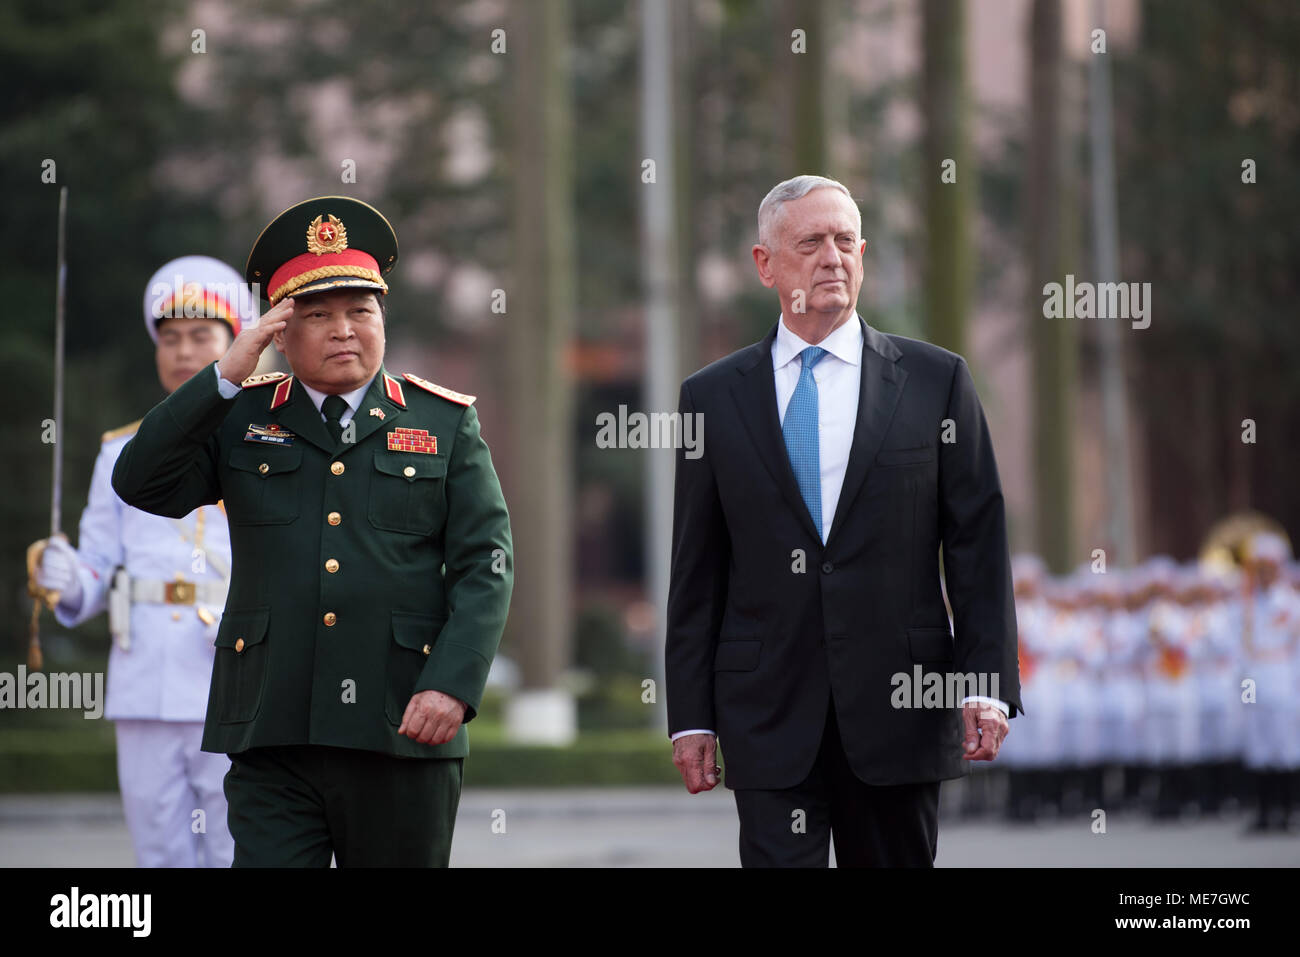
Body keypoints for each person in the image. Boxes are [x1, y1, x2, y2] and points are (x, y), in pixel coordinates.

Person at [111, 196, 514, 866]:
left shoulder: (443, 423)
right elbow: (141, 481)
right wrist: (224, 375)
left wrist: (453, 681)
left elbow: (487, 562)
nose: (345, 330)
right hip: (274, 731)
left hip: (402, 726)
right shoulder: (241, 417)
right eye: (319, 316)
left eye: (361, 311)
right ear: (278, 331)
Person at [665, 175, 1021, 867]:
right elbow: (696, 567)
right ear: (766, 264)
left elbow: (978, 541)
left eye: (844, 241)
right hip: (767, 714)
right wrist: (692, 714)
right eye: (810, 242)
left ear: (863, 254)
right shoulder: (709, 398)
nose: (832, 257)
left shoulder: (936, 381)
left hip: (901, 709)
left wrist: (986, 683)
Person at [31, 256, 248, 866]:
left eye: (201, 337)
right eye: (170, 338)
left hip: (230, 673)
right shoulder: (120, 452)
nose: (183, 352)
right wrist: (68, 576)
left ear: (235, 345)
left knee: (235, 844)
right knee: (159, 847)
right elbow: (100, 565)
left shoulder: (263, 436)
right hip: (145, 673)